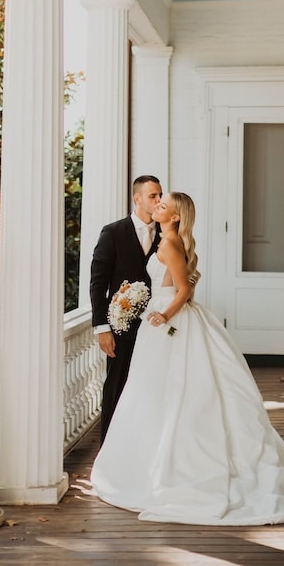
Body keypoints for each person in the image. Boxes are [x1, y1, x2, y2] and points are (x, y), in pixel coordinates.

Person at [90, 192, 284, 525]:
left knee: (178, 390)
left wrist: (164, 314)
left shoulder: (169, 244)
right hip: (160, 319)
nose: (156, 206)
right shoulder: (166, 241)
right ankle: (155, 458)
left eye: (163, 205)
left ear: (175, 216)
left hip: (168, 320)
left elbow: (184, 290)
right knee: (156, 392)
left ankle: (178, 464)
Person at [89, 175, 163, 443]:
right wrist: (102, 327)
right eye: (153, 196)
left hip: (157, 325)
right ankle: (108, 447)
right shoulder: (113, 232)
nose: (159, 200)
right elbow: (98, 283)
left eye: (160, 195)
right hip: (122, 327)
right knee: (116, 385)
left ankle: (145, 444)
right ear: (137, 198)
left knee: (153, 386)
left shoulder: (167, 232)